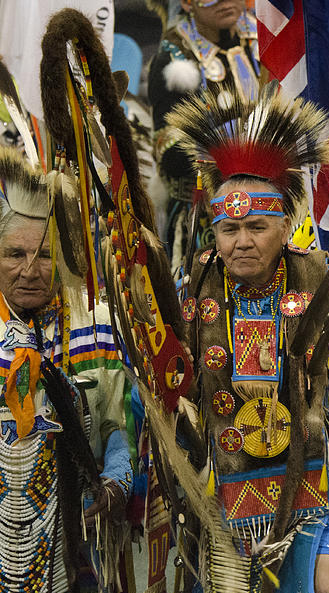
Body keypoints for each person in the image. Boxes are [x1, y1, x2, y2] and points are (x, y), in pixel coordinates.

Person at [169, 83, 329, 593]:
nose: (243, 241)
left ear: (285, 224)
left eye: (258, 227)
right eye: (230, 230)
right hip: (221, 502)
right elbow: (167, 389)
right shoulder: (192, 288)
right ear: (214, 232)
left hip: (312, 491)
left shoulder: (323, 281)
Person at [0, 148, 133, 592]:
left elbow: (120, 421)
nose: (29, 271)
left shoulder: (94, 321)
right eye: (14, 254)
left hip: (82, 537)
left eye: (43, 256)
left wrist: (116, 477)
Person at [148, 0, 259, 267]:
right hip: (201, 213)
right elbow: (170, 151)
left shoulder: (263, 37)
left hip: (271, 203)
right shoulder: (173, 58)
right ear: (187, 3)